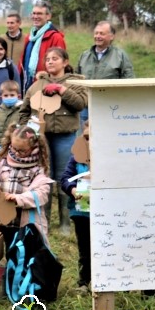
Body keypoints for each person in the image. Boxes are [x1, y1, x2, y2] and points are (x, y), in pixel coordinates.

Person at [18, 47, 87, 235]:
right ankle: (44, 219)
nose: (50, 62)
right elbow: (24, 111)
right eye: (47, 59)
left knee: (65, 177)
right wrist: (26, 132)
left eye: (54, 58)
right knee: (44, 178)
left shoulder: (76, 82)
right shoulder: (37, 85)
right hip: (42, 139)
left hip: (66, 136)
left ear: (65, 62)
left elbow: (81, 104)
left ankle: (66, 221)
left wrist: (61, 90)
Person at [0, 124, 55, 237]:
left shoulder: (38, 169)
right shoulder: (3, 162)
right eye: (13, 148)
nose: (15, 153)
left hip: (22, 222)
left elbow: (41, 194)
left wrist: (18, 199)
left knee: (18, 252)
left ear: (34, 147)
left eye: (22, 151)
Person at [77, 21, 135, 125]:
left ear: (111, 36)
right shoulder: (84, 56)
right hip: (85, 107)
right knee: (83, 139)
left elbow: (129, 81)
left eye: (102, 34)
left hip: (109, 106)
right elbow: (76, 79)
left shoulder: (120, 56)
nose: (98, 36)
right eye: (96, 33)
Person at [60, 121, 91, 291]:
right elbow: (64, 179)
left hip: (103, 214)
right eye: (85, 138)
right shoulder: (75, 159)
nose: (89, 142)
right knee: (85, 248)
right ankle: (84, 282)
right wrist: (72, 190)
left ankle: (104, 281)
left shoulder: (107, 160)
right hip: (81, 213)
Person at [22, 0, 67, 95]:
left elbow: (59, 67)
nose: (35, 17)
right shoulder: (29, 38)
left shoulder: (56, 38)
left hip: (47, 89)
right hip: (29, 86)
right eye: (33, 13)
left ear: (48, 16)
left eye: (39, 14)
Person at [0, 80, 23, 144]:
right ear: (1, 97)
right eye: (6, 95)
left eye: (12, 95)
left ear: (18, 96)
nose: (9, 97)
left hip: (14, 146)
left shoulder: (22, 112)